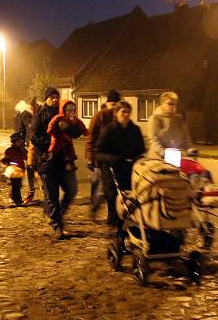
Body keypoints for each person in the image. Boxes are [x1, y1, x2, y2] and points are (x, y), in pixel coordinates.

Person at [31, 87, 84, 239]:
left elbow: (76, 133)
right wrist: (52, 143)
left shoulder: (64, 113)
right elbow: (34, 137)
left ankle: (56, 215)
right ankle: (57, 226)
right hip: (47, 161)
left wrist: (70, 126)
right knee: (52, 195)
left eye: (57, 97)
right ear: (46, 99)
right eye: (52, 97)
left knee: (72, 189)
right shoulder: (39, 115)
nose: (55, 99)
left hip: (65, 160)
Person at [95, 101, 146, 241]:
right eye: (123, 112)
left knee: (131, 200)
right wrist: (112, 158)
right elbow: (98, 152)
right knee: (114, 200)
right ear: (116, 113)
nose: (126, 115)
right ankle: (117, 231)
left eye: (128, 112)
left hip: (130, 170)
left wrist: (139, 159)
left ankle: (129, 229)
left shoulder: (135, 130)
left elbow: (141, 150)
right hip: (112, 170)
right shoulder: (109, 130)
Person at [86, 90, 120, 222]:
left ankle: (112, 215)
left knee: (111, 188)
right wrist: (90, 158)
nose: (114, 107)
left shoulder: (119, 116)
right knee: (99, 186)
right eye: (112, 104)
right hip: (98, 156)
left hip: (112, 158)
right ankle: (94, 208)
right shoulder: (99, 116)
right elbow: (90, 137)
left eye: (116, 104)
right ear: (108, 103)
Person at [147, 91, 196, 158]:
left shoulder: (179, 119)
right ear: (162, 103)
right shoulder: (155, 118)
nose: (172, 106)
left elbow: (186, 137)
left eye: (175, 104)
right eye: (170, 103)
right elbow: (153, 139)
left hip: (175, 156)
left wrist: (190, 149)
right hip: (158, 157)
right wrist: (163, 153)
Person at [47, 100, 88, 171]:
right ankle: (51, 154)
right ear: (63, 110)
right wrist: (50, 130)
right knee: (54, 143)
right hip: (57, 137)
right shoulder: (58, 117)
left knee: (69, 146)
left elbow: (80, 125)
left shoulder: (73, 119)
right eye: (68, 110)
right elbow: (52, 123)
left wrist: (84, 131)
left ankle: (69, 162)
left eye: (73, 110)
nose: (71, 112)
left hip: (66, 137)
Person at [18, 97, 40, 203]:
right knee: (29, 168)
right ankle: (31, 192)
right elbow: (21, 130)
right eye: (30, 108)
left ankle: (48, 193)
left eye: (34, 107)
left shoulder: (41, 114)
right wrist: (21, 145)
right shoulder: (24, 115)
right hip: (28, 146)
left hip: (40, 146)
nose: (32, 109)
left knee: (41, 170)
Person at [1, 131, 27, 206]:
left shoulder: (22, 150)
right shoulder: (10, 150)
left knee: (18, 185)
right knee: (16, 186)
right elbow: (5, 160)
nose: (21, 143)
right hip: (13, 171)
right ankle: (18, 201)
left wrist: (23, 150)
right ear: (14, 142)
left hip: (20, 171)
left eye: (21, 141)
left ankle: (12, 196)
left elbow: (26, 157)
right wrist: (7, 163)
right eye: (19, 141)